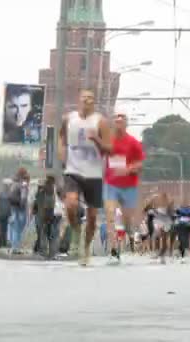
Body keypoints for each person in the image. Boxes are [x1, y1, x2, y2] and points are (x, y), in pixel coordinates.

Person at [58, 89, 111, 266]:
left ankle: (86, 247)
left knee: (92, 217)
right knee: (71, 203)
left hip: (94, 173)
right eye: (84, 98)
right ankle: (75, 230)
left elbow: (108, 149)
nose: (87, 100)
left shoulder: (100, 121)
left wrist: (96, 139)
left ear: (94, 102)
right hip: (73, 170)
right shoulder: (68, 119)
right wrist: (62, 156)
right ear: (78, 100)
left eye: (91, 98)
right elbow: (61, 138)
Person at [103, 112, 144, 263]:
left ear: (126, 124)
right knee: (110, 215)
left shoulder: (133, 142)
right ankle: (113, 249)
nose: (118, 123)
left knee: (127, 220)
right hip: (111, 184)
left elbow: (140, 164)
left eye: (121, 121)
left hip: (128, 186)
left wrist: (127, 169)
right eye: (116, 121)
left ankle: (129, 231)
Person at [146, 192, 175, 264]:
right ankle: (157, 253)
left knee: (164, 241)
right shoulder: (156, 208)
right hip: (159, 224)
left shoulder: (167, 207)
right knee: (156, 237)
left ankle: (162, 256)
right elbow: (149, 210)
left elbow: (170, 215)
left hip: (166, 224)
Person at [8, 168, 30, 254]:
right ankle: (16, 248)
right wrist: (23, 205)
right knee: (18, 228)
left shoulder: (13, 183)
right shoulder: (23, 184)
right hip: (20, 208)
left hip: (12, 207)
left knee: (14, 227)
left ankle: (13, 246)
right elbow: (24, 197)